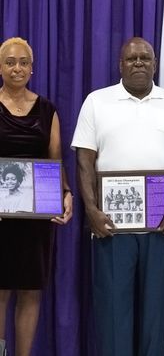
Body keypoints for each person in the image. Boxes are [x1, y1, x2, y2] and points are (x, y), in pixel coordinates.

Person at [71, 37, 164, 356]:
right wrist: (91, 210)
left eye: (145, 58)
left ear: (155, 64)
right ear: (121, 65)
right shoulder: (96, 102)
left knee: (156, 312)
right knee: (113, 311)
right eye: (132, 59)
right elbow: (84, 160)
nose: (139, 63)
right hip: (112, 226)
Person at [0, 37, 73, 356]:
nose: (17, 68)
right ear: (0, 67)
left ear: (32, 67)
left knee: (30, 292)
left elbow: (55, 161)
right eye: (10, 62)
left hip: (34, 220)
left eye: (24, 62)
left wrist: (66, 194)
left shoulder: (47, 110)